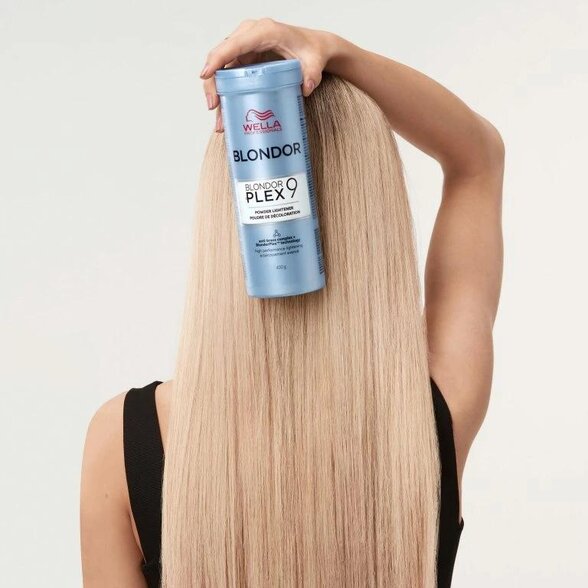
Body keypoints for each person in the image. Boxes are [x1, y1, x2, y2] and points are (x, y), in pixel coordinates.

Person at [81, 19, 504, 588]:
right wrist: (339, 52)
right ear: (376, 220)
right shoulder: (436, 412)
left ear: (226, 211)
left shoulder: (123, 439)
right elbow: (478, 157)